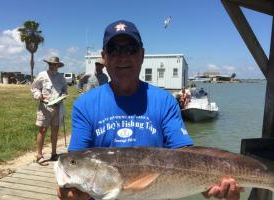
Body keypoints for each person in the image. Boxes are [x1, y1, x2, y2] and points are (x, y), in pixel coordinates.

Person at [56, 20, 243, 200]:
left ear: (142, 55)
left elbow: (187, 158)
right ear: (104, 57)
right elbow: (77, 160)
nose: (122, 56)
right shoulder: (85, 105)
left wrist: (209, 183)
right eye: (113, 50)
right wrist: (73, 193)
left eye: (130, 49)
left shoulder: (165, 101)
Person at [31, 56, 67, 166]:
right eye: (50, 64)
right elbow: (34, 88)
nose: (52, 66)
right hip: (44, 107)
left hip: (57, 107)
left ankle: (54, 153)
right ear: (48, 64)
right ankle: (39, 155)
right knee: (42, 130)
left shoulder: (61, 77)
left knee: (55, 131)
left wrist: (64, 95)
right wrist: (39, 95)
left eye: (54, 64)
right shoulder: (42, 75)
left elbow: (65, 89)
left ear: (58, 66)